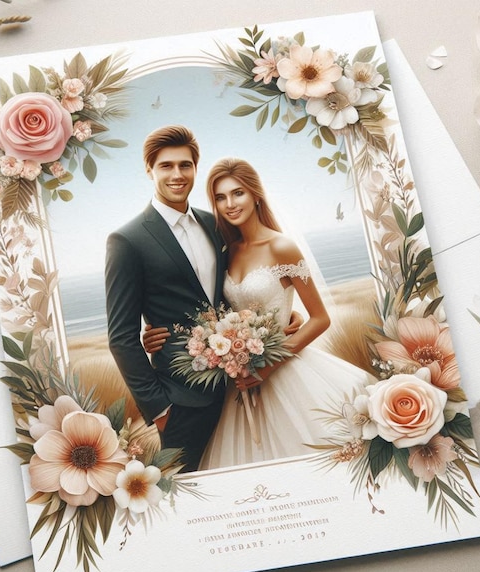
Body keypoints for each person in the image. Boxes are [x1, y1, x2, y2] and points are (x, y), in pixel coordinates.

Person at [144, 157, 376, 470]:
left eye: (237, 193)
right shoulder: (224, 250)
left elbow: (320, 318)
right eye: (220, 198)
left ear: (255, 194)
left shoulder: (281, 247)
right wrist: (157, 332)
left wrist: (267, 367)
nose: (230, 204)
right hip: (237, 378)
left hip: (285, 372)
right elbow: (211, 307)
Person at [105, 127, 301, 472]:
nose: (177, 175)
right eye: (166, 166)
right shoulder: (127, 240)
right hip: (181, 402)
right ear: (149, 170)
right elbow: (121, 337)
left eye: (185, 165)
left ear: (196, 168)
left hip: (238, 383)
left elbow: (238, 287)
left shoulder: (216, 224)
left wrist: (281, 319)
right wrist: (160, 410)